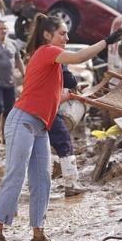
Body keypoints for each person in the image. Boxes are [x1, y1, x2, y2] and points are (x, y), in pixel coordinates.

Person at [0, 14, 122, 241]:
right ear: (47, 35)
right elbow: (80, 56)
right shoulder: (46, 51)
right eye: (62, 33)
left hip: (40, 126)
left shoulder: (52, 63)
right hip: (22, 121)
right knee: (16, 175)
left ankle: (38, 235)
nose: (67, 37)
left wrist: (75, 94)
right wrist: (108, 41)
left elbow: (54, 95)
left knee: (43, 179)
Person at [0, 20, 25, 145]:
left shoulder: (13, 44)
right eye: (0, 28)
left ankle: (5, 134)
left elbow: (18, 61)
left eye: (4, 28)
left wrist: (25, 75)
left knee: (9, 110)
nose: (3, 31)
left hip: (9, 82)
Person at [49, 65, 86, 197]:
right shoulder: (56, 58)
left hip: (38, 110)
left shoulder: (39, 57)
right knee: (64, 141)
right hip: (48, 110)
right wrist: (71, 92)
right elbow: (68, 79)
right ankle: (71, 184)